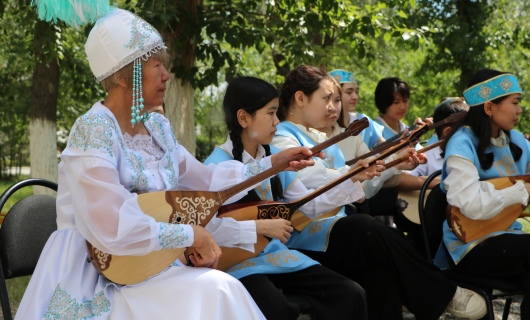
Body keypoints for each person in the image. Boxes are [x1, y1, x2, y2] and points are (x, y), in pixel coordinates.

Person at [16, 6, 320, 320]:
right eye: (157, 65)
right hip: (95, 276)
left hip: (151, 265)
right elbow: (112, 228)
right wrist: (191, 236)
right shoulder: (93, 132)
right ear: (127, 74)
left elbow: (204, 182)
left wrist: (275, 163)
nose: (166, 75)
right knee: (218, 291)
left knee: (220, 289)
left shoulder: (157, 128)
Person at [271, 64, 488, 320]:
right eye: (327, 98)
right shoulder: (283, 139)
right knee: (367, 228)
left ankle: (429, 296)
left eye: (336, 100)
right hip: (305, 237)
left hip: (336, 231)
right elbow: (314, 185)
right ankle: (443, 294)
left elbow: (358, 190)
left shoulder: (319, 138)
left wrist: (392, 164)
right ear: (300, 98)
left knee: (380, 275)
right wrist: (356, 174)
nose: (334, 106)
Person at [203, 76, 371, 320]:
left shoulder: (273, 158)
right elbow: (206, 231)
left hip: (275, 254)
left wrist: (354, 177)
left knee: (350, 293)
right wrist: (259, 227)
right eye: (270, 113)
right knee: (279, 310)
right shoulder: (214, 166)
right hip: (237, 264)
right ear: (243, 118)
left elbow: (308, 204)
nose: (277, 121)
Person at [436, 68, 530, 318]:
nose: (520, 110)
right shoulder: (462, 143)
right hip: (470, 244)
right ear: (489, 108)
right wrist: (519, 191)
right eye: (515, 103)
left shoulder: (518, 141)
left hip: (509, 235)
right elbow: (471, 204)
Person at [406, 97, 469, 177]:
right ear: (447, 132)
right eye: (468, 132)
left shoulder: (473, 153)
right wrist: (440, 184)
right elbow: (403, 179)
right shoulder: (426, 156)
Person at [328, 69, 385, 149]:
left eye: (356, 92)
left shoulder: (363, 120)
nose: (355, 97)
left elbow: (385, 147)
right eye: (349, 92)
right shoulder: (325, 125)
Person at [373, 77, 428, 147]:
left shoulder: (406, 129)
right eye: (396, 102)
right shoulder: (375, 131)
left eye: (405, 101)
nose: (402, 107)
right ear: (384, 103)